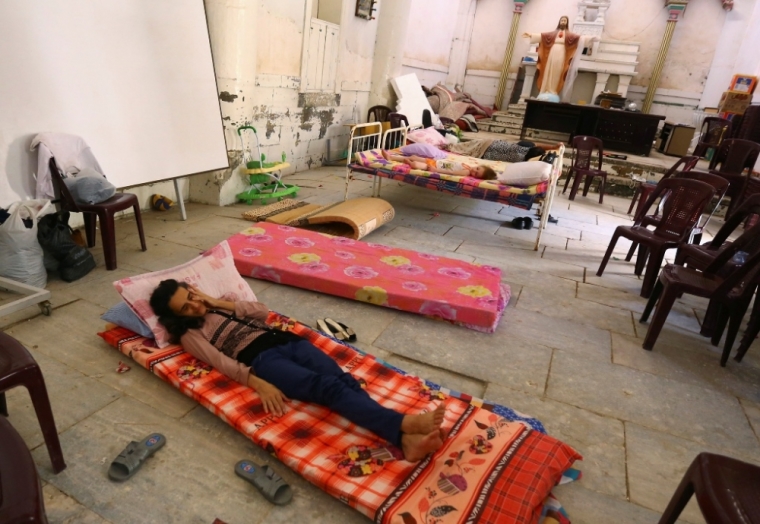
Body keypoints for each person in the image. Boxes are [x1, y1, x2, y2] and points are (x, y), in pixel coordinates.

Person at [149, 279, 446, 462]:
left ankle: (404, 441)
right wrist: (257, 382)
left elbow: (263, 312)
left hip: (289, 341)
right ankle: (405, 425)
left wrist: (215, 302)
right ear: (176, 317)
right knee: (327, 389)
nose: (194, 306)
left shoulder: (220, 304)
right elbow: (221, 362)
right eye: (185, 308)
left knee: (343, 380)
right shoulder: (190, 335)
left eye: (192, 296)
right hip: (264, 360)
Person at [523, 16, 597, 103]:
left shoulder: (569, 35)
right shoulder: (553, 34)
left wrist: (591, 38)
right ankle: (545, 89)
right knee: (548, 69)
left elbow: (580, 38)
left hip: (561, 53)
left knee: (557, 71)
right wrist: (531, 35)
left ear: (567, 22)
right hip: (552, 53)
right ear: (559, 22)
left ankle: (553, 90)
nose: (563, 22)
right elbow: (542, 36)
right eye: (562, 20)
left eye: (564, 20)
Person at [381, 150, 497, 180]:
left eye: (476, 174)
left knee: (416, 164)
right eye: (477, 169)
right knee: (414, 156)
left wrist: (436, 170)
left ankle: (410, 163)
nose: (474, 171)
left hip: (434, 166)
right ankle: (391, 157)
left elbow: (451, 172)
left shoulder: (466, 172)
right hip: (435, 162)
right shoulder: (468, 166)